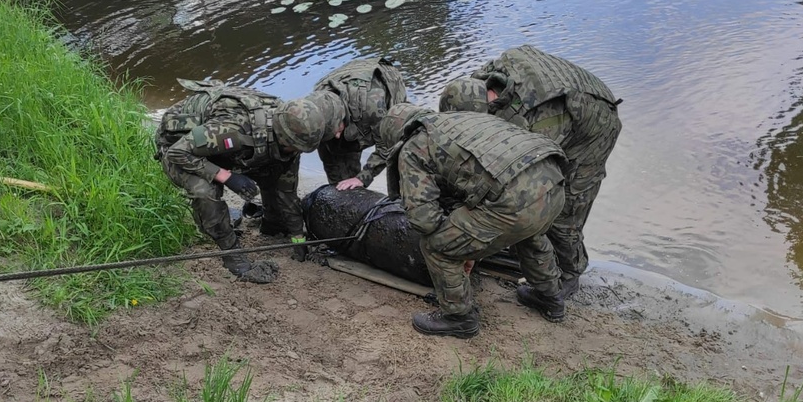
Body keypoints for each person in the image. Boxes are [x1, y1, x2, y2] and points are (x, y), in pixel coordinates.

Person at [438, 45, 622, 297]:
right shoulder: (474, 88)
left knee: (563, 206)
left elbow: (529, 179)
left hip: (593, 122)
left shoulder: (536, 120)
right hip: (561, 93)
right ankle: (526, 254)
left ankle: (568, 275)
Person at [380, 103, 569, 338]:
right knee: (530, 232)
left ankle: (458, 317)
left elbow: (423, 220)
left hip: (513, 201)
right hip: (554, 182)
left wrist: (460, 246)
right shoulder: (459, 119)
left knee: (436, 246)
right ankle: (550, 298)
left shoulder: (414, 145)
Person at [155, 79, 344, 283]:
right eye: (295, 148)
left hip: (215, 147)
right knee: (205, 191)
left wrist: (298, 236)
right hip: (178, 147)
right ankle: (230, 252)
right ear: (284, 138)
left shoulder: (291, 133)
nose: (298, 152)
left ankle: (271, 224)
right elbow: (178, 153)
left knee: (275, 169)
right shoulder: (235, 130)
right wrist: (226, 177)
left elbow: (286, 191)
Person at [311, 57, 408, 190]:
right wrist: (338, 183)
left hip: (386, 78)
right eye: (332, 132)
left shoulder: (373, 105)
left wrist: (363, 177)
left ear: (341, 116)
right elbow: (329, 158)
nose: (337, 135)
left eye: (337, 129)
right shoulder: (314, 113)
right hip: (346, 78)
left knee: (400, 145)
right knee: (337, 148)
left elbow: (387, 146)